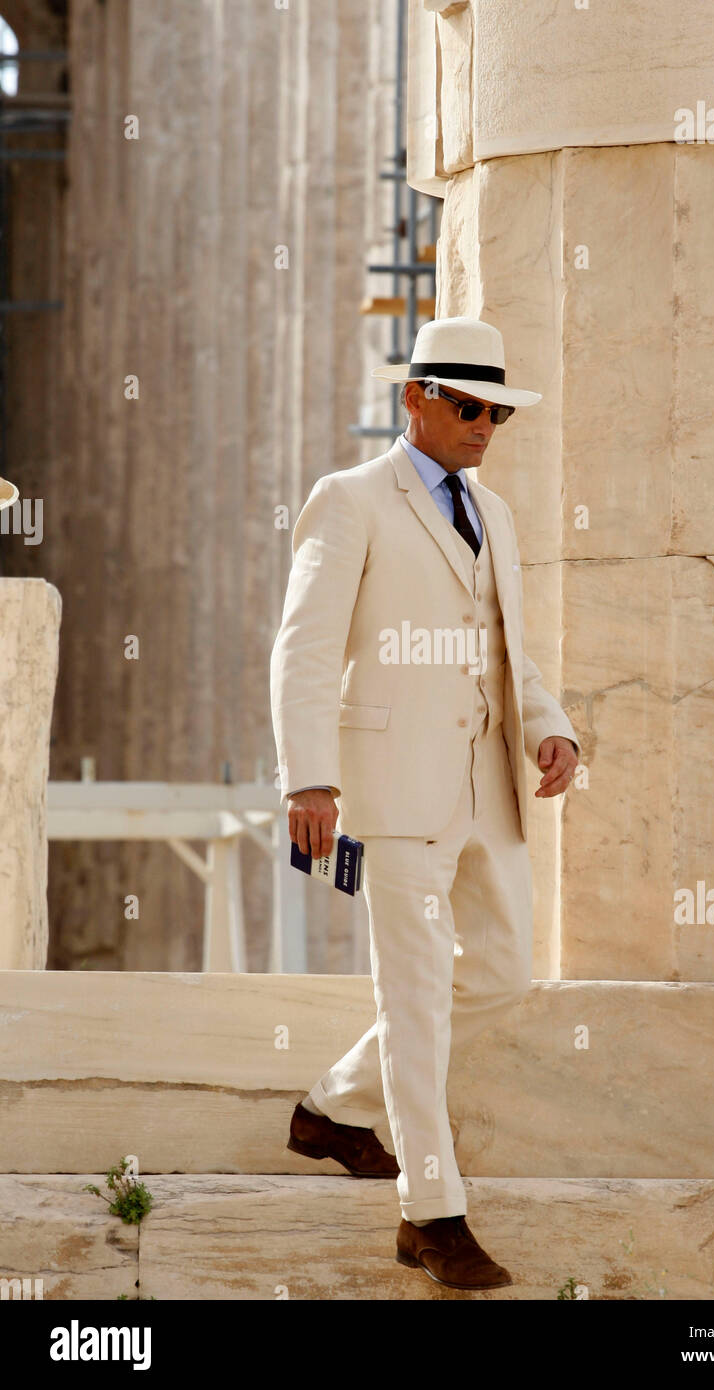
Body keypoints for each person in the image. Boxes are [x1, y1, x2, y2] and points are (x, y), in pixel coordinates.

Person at [270, 316, 581, 1291]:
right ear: (415, 397)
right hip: (390, 794)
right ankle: (431, 1214)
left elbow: (506, 644)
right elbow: (306, 645)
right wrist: (308, 777)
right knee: (414, 1003)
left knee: (498, 978)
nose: (484, 423)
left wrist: (549, 722)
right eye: (466, 405)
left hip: (488, 791)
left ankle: (330, 1106)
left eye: (496, 410)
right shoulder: (351, 499)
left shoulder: (493, 514)